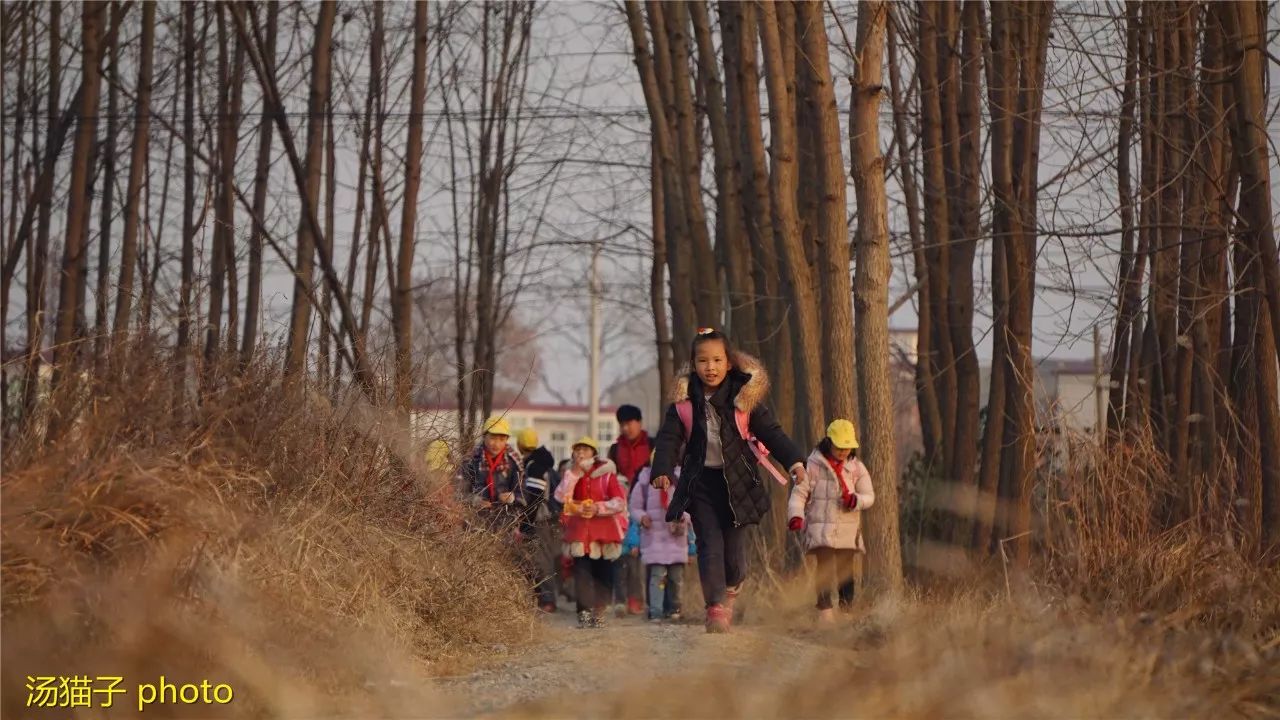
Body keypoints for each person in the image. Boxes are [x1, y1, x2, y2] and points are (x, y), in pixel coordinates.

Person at [650, 328, 807, 633]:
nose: (710, 367)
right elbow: (668, 439)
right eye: (703, 360)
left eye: (717, 360)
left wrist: (795, 462)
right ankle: (715, 608)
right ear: (693, 364)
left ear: (729, 363)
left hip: (738, 486)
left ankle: (730, 592)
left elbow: (772, 433)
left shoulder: (743, 400)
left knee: (734, 556)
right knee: (709, 544)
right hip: (701, 485)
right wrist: (662, 470)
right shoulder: (684, 404)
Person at [787, 419, 875, 622]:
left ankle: (846, 611)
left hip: (847, 530)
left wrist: (856, 501)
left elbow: (869, 495)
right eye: (839, 447)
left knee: (846, 572)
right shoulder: (812, 465)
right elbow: (799, 494)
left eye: (847, 447)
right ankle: (824, 611)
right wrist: (796, 516)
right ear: (829, 442)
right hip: (820, 528)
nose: (843, 451)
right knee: (824, 569)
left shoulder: (856, 468)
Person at [555, 437, 628, 629]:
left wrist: (598, 507)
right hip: (580, 531)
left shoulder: (606, 475)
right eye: (577, 450)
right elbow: (561, 497)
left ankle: (600, 611)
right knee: (582, 574)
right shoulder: (571, 474)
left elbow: (619, 502)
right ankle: (584, 612)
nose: (580, 453)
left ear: (593, 454)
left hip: (604, 531)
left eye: (585, 450)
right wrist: (574, 476)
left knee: (603, 573)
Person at [631, 461, 691, 622]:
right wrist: (642, 516)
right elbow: (634, 506)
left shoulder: (681, 480)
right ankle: (655, 611)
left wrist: (683, 517)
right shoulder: (644, 482)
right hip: (654, 537)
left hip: (676, 538)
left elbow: (691, 505)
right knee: (657, 576)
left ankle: (675, 609)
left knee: (676, 578)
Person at [608, 405, 651, 616]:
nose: (626, 428)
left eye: (630, 423)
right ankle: (625, 598)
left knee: (648, 555)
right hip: (622, 507)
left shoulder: (651, 445)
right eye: (622, 424)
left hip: (648, 505)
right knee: (624, 555)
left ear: (639, 422)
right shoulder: (614, 450)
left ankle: (646, 599)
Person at [517, 428, 562, 613]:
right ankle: (544, 598)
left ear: (520, 445)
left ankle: (547, 600)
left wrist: (525, 525)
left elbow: (534, 498)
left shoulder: (534, 466)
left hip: (540, 520)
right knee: (545, 559)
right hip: (550, 519)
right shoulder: (547, 464)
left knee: (541, 560)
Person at [457, 416, 525, 531]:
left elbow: (523, 493)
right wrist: (474, 500)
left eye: (502, 440)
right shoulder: (471, 460)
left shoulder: (514, 462)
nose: (497, 444)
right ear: (484, 436)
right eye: (493, 438)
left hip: (505, 524)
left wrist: (512, 497)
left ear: (507, 440)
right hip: (475, 523)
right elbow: (458, 492)